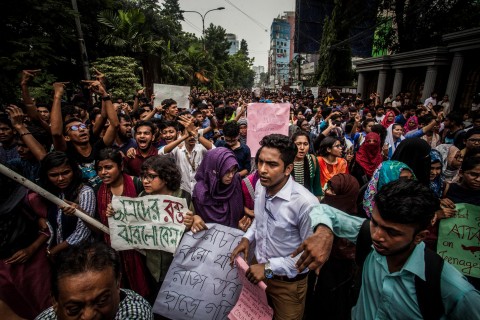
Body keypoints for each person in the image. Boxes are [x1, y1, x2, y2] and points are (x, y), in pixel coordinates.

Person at [293, 179, 480, 320]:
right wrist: (323, 233)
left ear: (420, 236)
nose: (377, 236)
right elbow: (324, 211)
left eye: (392, 232)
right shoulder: (369, 236)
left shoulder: (455, 290)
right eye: (375, 223)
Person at [230, 134, 319, 320]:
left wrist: (268, 268)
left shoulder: (305, 204)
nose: (262, 170)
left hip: (287, 286)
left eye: (271, 164)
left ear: (288, 169)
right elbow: (260, 219)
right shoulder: (262, 187)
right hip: (257, 275)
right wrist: (247, 238)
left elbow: (307, 257)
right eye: (260, 162)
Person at [35, 241, 153, 320]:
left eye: (101, 301)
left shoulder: (135, 313)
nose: (89, 315)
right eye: (74, 309)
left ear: (117, 284)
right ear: (55, 302)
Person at [96, 148, 150, 297]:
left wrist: (124, 212)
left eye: (108, 167)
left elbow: (151, 214)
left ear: (120, 166)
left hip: (141, 251)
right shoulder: (98, 191)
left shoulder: (138, 184)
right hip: (113, 252)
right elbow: (98, 227)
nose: (103, 172)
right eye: (99, 168)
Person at [305, 173, 360, 320]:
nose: (328, 192)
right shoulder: (317, 212)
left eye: (334, 190)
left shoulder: (354, 227)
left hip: (338, 282)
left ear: (347, 195)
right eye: (328, 187)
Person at [0, 171, 51, 319]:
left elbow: (50, 226)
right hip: (3, 266)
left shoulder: (28, 198)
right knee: (19, 307)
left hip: (31, 260)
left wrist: (31, 248)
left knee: (45, 303)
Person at [38, 151, 96, 258]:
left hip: (81, 255)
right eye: (54, 175)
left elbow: (82, 232)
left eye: (65, 173)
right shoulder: (51, 193)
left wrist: (54, 250)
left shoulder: (84, 192)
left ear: (73, 171)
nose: (60, 179)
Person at [191, 147, 246, 231]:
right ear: (214, 170)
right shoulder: (201, 192)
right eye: (226, 171)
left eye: (233, 170)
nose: (231, 176)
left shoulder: (235, 182)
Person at [290, 131, 323, 198]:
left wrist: (316, 205)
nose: (302, 147)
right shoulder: (286, 160)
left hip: (308, 201)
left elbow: (317, 188)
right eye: (298, 144)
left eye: (305, 144)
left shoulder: (312, 160)